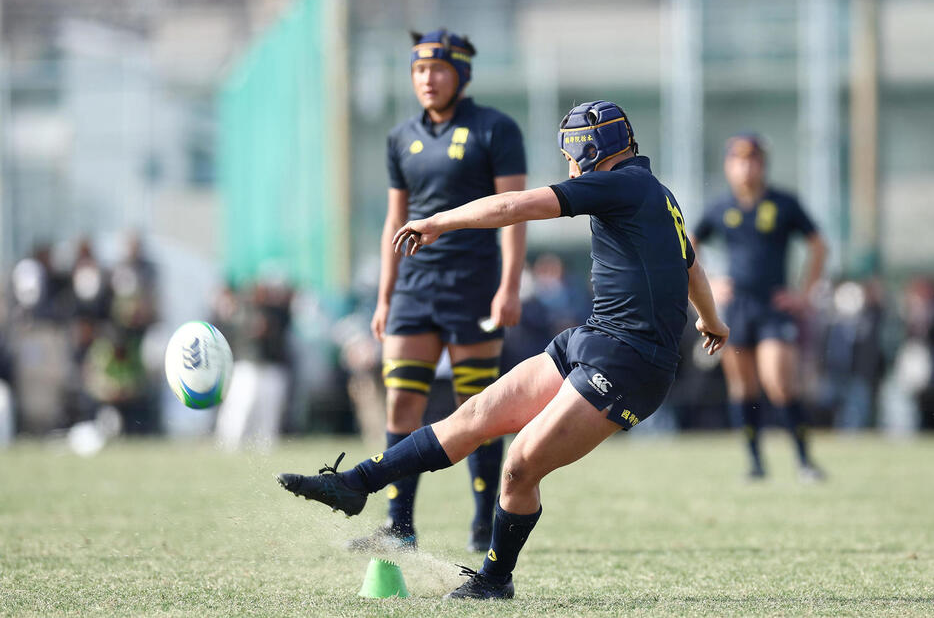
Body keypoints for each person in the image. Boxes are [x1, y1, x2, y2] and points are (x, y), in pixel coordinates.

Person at [276, 100, 729, 599]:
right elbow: (690, 263)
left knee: (520, 465)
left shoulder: (619, 184)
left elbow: (516, 205)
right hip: (594, 338)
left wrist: (439, 221)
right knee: (474, 416)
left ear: (588, 149)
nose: (568, 166)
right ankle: (357, 483)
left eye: (569, 154)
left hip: (631, 364)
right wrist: (711, 320)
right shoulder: (652, 192)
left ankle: (495, 579)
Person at [359, 28, 528, 552]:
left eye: (436, 69)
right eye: (417, 70)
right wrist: (385, 297)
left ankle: (484, 522)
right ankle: (399, 526)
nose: (426, 79)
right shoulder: (399, 137)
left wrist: (509, 287)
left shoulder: (495, 129)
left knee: (477, 408)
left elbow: (516, 214)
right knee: (399, 407)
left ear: (462, 73)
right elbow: (394, 223)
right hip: (413, 290)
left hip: (473, 288)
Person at [690, 134, 827, 481]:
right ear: (728, 166)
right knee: (743, 389)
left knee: (778, 382)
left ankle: (804, 461)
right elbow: (689, 244)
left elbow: (819, 246)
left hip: (772, 307)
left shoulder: (783, 203)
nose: (747, 167)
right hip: (736, 309)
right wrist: (712, 284)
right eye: (739, 160)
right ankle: (755, 464)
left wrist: (804, 294)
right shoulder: (721, 207)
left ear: (763, 165)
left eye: (753, 160)